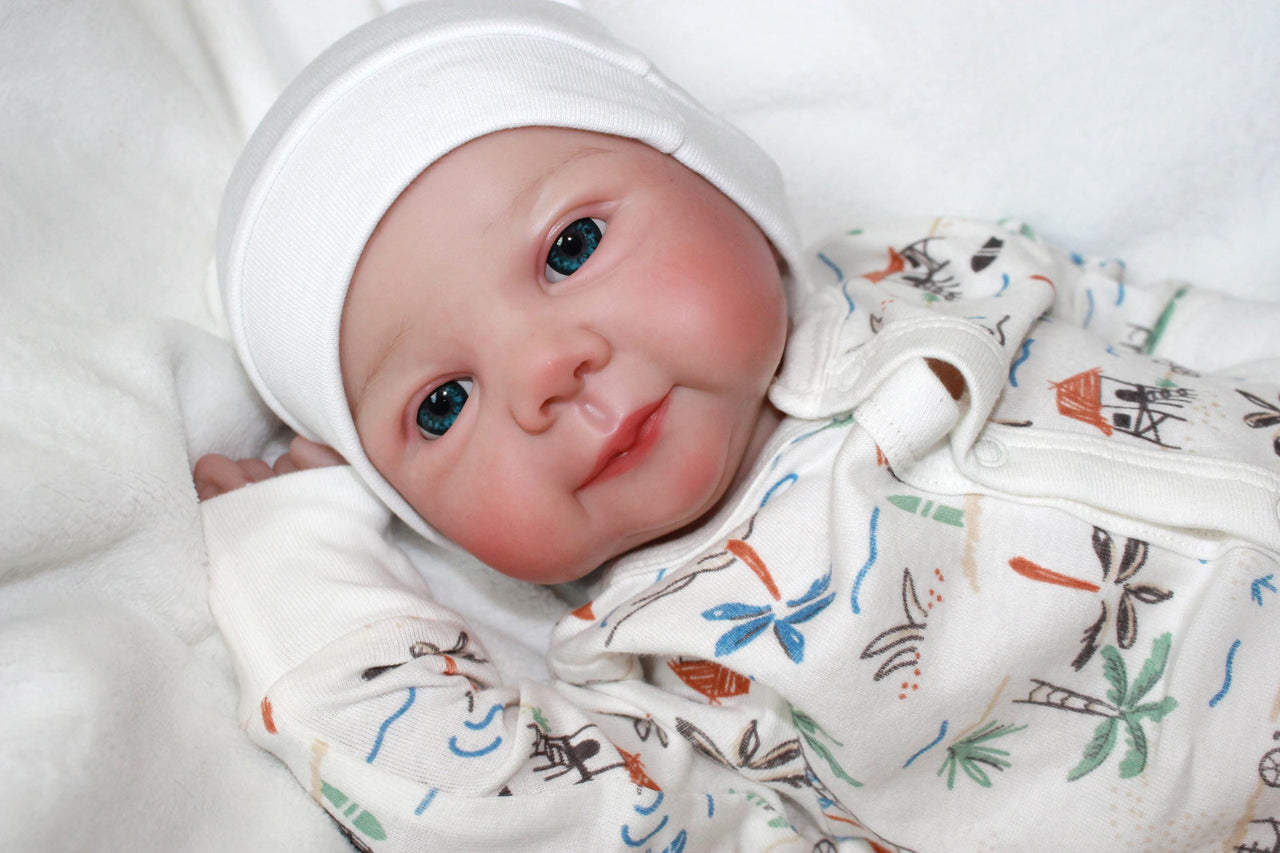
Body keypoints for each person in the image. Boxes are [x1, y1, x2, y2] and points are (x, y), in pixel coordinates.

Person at [197, 1, 1280, 850]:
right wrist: (297, 558)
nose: (543, 369)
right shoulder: (664, 669)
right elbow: (478, 802)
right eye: (442, 404)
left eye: (569, 248)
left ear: (721, 180)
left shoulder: (934, 275)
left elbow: (1178, 328)